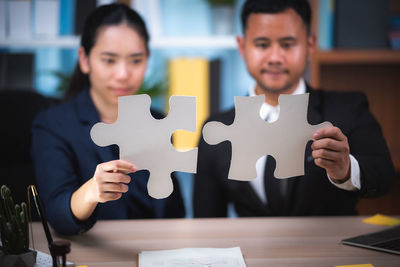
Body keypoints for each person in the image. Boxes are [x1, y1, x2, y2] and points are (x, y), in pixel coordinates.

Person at [193, 0, 395, 217]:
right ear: (242, 48)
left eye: (288, 44)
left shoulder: (349, 109)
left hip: (329, 250)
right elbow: (206, 220)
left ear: (310, 46)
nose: (275, 58)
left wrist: (345, 170)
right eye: (262, 44)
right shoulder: (216, 128)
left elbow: (383, 176)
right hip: (248, 250)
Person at [31, 4, 184, 235]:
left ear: (147, 60)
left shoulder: (158, 120)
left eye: (135, 60)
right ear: (84, 60)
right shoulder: (53, 125)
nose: (123, 74)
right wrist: (91, 192)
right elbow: (57, 214)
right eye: (109, 60)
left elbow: (173, 211)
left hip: (155, 250)